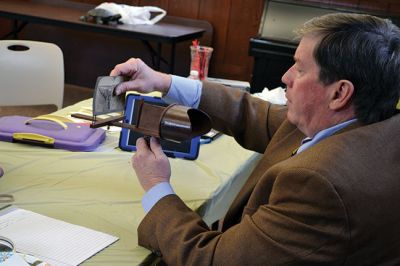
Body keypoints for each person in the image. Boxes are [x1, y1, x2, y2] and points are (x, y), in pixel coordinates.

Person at [110, 13, 400, 265]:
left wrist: (157, 186)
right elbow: (255, 115)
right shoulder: (372, 123)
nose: (286, 77)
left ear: (339, 93)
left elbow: (208, 259)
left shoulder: (320, 186)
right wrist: (163, 81)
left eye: (300, 69)